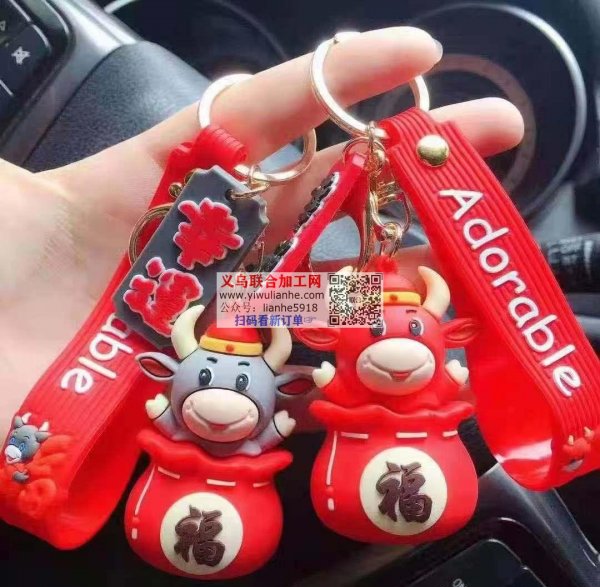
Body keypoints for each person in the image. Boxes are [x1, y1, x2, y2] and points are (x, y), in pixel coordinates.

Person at [0, 27, 523, 442]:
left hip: (284, 327)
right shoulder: (239, 291)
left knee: (280, 299)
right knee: (262, 300)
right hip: (206, 328)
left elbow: (266, 307)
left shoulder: (292, 301)